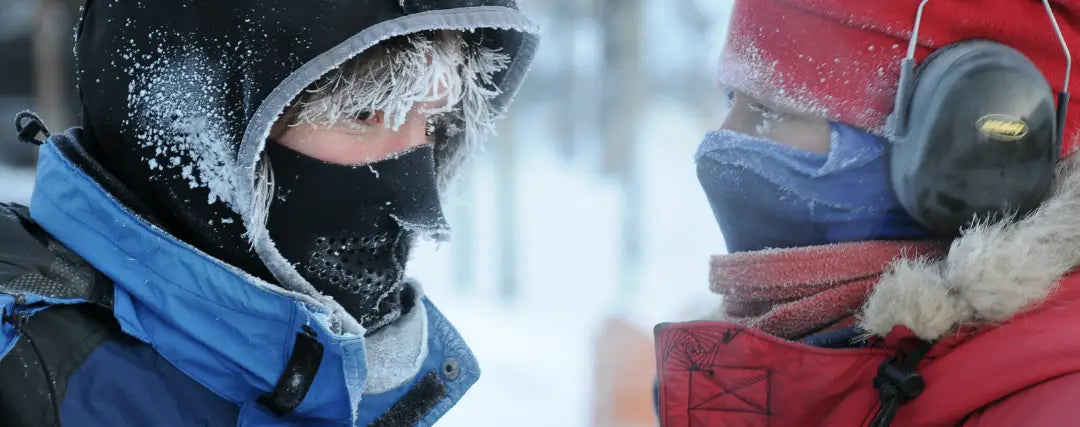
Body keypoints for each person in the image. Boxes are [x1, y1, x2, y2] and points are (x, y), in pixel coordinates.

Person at [0, 1, 538, 425]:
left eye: (436, 122)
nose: (423, 207)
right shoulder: (21, 386)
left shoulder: (333, 382)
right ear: (193, 125)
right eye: (362, 112)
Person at [655, 1, 1080, 425]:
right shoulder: (764, 360)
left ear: (973, 147)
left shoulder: (1053, 408)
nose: (721, 143)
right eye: (732, 98)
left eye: (771, 111)